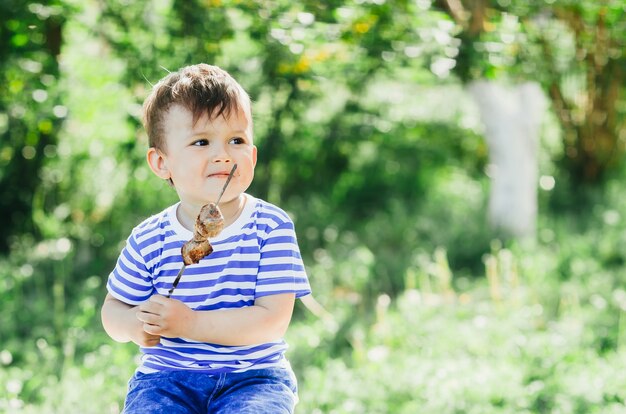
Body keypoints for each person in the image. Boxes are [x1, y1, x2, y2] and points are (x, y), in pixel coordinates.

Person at [101, 63, 311, 414]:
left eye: (237, 140)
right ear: (161, 163)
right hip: (166, 380)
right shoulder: (149, 238)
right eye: (201, 141)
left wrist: (190, 323)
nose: (223, 154)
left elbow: (272, 321)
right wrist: (133, 325)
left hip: (254, 377)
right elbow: (113, 308)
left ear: (253, 156)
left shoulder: (270, 228)